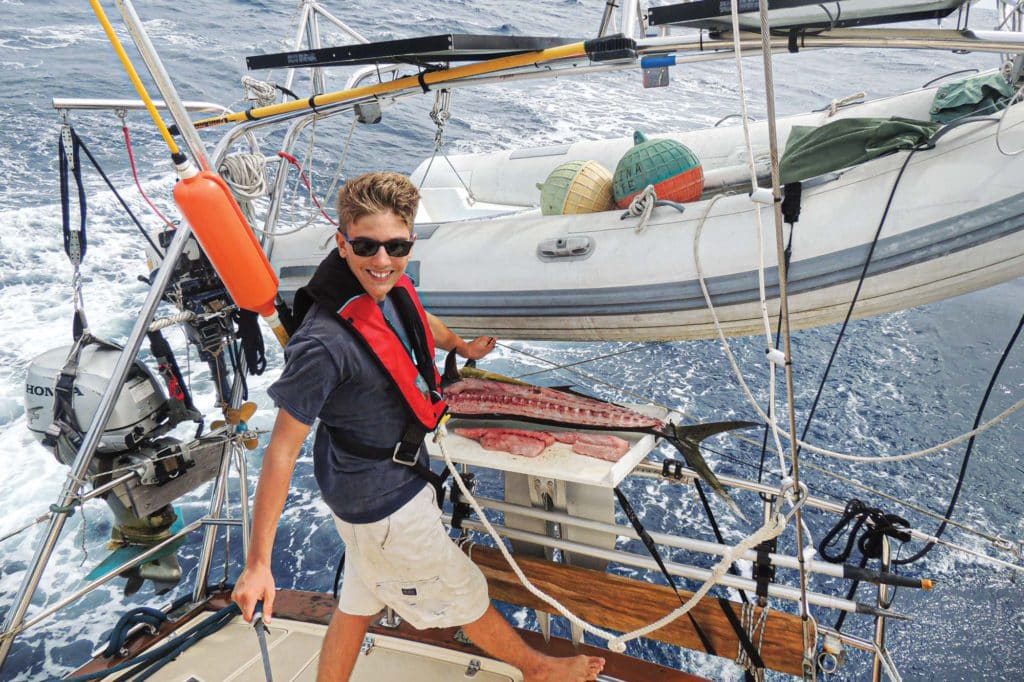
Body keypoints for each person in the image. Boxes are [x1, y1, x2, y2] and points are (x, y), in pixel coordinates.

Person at [232, 171, 605, 682]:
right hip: (382, 506)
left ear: (410, 241)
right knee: (463, 591)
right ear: (342, 243)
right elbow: (280, 451)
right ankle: (538, 669)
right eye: (366, 246)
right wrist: (259, 563)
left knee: (357, 604)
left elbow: (418, 320)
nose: (382, 260)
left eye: (396, 246)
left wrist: (462, 347)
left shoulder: (383, 288)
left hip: (381, 491)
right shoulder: (322, 345)